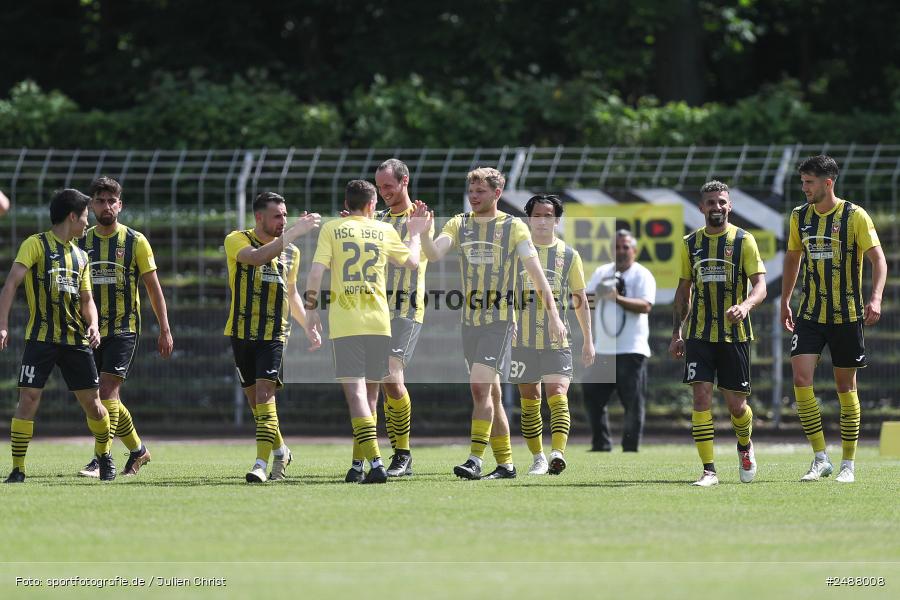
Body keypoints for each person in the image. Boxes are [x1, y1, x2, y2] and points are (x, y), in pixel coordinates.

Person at [421, 167, 567, 480]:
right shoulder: (459, 223)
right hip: (469, 322)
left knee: (479, 387)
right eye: (471, 192)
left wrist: (553, 314)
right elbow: (433, 254)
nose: (474, 197)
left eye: (481, 192)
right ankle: (506, 464)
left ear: (496, 194)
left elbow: (536, 273)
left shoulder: (514, 227)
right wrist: (422, 232)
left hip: (499, 321)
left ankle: (475, 458)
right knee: (493, 396)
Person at [304, 180, 428, 484]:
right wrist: (414, 234)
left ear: (348, 202)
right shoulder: (384, 230)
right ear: (372, 205)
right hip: (379, 322)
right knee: (371, 396)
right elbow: (412, 262)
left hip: (346, 322)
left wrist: (310, 309)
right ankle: (358, 464)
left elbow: (317, 271)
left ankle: (375, 462)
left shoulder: (333, 228)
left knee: (356, 394)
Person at [781, 155, 886, 484]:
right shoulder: (799, 217)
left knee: (845, 386)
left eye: (809, 182)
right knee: (800, 379)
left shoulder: (854, 216)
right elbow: (793, 259)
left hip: (847, 315)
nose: (804, 188)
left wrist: (876, 297)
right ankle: (820, 457)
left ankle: (848, 464)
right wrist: (785, 300)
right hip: (810, 313)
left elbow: (878, 260)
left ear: (828, 182)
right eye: (802, 182)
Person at [0, 189, 114, 482]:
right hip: (41, 339)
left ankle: (104, 457)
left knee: (95, 406)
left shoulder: (80, 255)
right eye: (85, 217)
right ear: (72, 216)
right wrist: (2, 324)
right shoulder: (34, 245)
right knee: (28, 397)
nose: (87, 224)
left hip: (76, 341)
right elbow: (11, 284)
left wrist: (93, 324)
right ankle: (18, 468)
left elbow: (87, 299)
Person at [336, 158, 433, 481]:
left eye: (389, 186)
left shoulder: (418, 218)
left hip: (405, 309)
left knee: (392, 377)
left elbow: (417, 261)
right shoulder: (374, 218)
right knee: (369, 387)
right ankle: (363, 460)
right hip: (372, 311)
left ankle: (402, 453)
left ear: (405, 182)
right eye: (379, 188)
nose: (384, 192)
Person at [669, 180, 767, 487]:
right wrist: (677, 332)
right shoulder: (690, 243)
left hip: (734, 335)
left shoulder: (744, 240)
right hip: (699, 335)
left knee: (737, 407)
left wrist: (747, 305)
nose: (717, 207)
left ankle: (744, 445)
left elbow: (761, 285)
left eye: (722, 202)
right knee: (700, 398)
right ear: (701, 208)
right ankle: (709, 470)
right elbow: (683, 292)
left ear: (730, 205)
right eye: (711, 202)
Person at [75, 176, 173, 478]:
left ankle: (99, 458)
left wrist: (165, 328)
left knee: (106, 392)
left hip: (123, 328)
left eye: (111, 201)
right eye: (100, 201)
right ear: (92, 205)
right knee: (102, 398)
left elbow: (153, 287)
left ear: (120, 205)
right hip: (90, 330)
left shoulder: (135, 241)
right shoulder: (81, 241)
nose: (106, 206)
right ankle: (138, 450)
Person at [225, 192, 321, 483]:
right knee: (257, 405)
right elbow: (256, 258)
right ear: (259, 218)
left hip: (274, 334)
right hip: (241, 332)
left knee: (266, 397)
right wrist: (295, 232)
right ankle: (281, 450)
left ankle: (259, 464)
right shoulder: (237, 239)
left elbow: (291, 293)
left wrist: (307, 325)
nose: (283, 221)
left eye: (285, 215)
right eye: (277, 216)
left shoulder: (293, 251)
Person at [511, 194, 594, 475]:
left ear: (557, 220)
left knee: (557, 393)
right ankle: (538, 458)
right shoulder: (516, 252)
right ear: (529, 219)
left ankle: (558, 452)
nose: (543, 221)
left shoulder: (569, 255)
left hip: (558, 340)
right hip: (520, 340)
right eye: (537, 215)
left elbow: (580, 299)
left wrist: (588, 341)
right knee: (530, 400)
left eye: (549, 215)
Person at [584, 230, 656, 452]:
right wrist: (598, 293)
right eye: (617, 246)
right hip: (603, 349)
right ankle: (601, 444)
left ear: (634, 250)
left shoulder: (642, 274)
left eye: (625, 247)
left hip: (631, 349)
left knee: (632, 403)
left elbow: (646, 306)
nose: (621, 251)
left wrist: (618, 298)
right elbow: (586, 300)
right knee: (592, 395)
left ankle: (630, 448)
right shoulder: (602, 272)